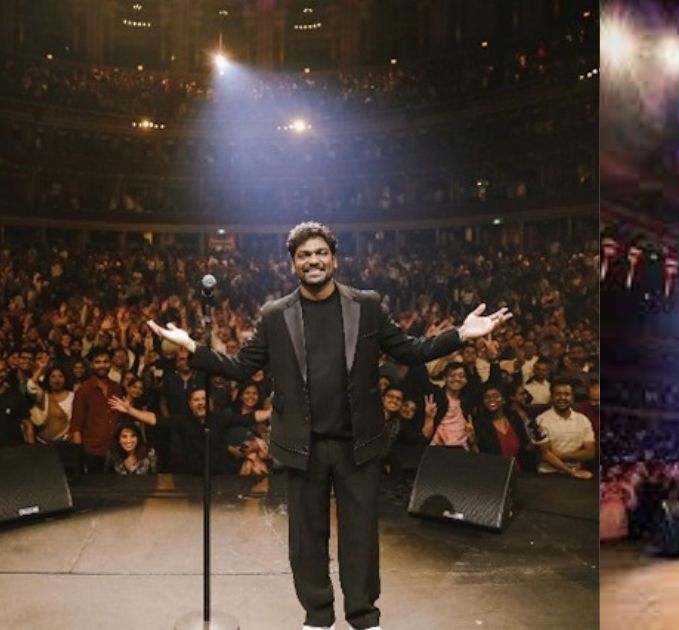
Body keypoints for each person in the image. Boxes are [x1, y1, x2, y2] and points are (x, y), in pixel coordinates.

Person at [146, 221, 510, 630]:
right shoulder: (274, 315)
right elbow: (242, 366)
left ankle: (364, 617)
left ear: (334, 259)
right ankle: (318, 617)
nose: (313, 260)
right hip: (302, 445)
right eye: (304, 255)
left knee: (360, 536)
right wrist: (193, 348)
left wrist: (461, 334)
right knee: (306, 538)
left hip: (358, 442)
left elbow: (410, 349)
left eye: (321, 253)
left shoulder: (367, 305)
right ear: (293, 264)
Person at [471, 384, 540, 472]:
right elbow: (480, 457)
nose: (491, 400)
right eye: (487, 397)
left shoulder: (514, 417)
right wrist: (472, 443)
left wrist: (536, 439)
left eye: (495, 396)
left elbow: (525, 447)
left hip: (520, 470)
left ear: (503, 400)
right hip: (494, 471)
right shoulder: (479, 423)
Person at [534, 379, 594, 479]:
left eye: (567, 394)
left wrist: (561, 455)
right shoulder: (540, 420)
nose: (562, 398)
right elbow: (545, 454)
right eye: (558, 394)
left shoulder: (583, 420)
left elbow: (590, 453)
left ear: (573, 398)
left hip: (578, 474)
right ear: (552, 397)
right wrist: (571, 471)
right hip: (548, 475)